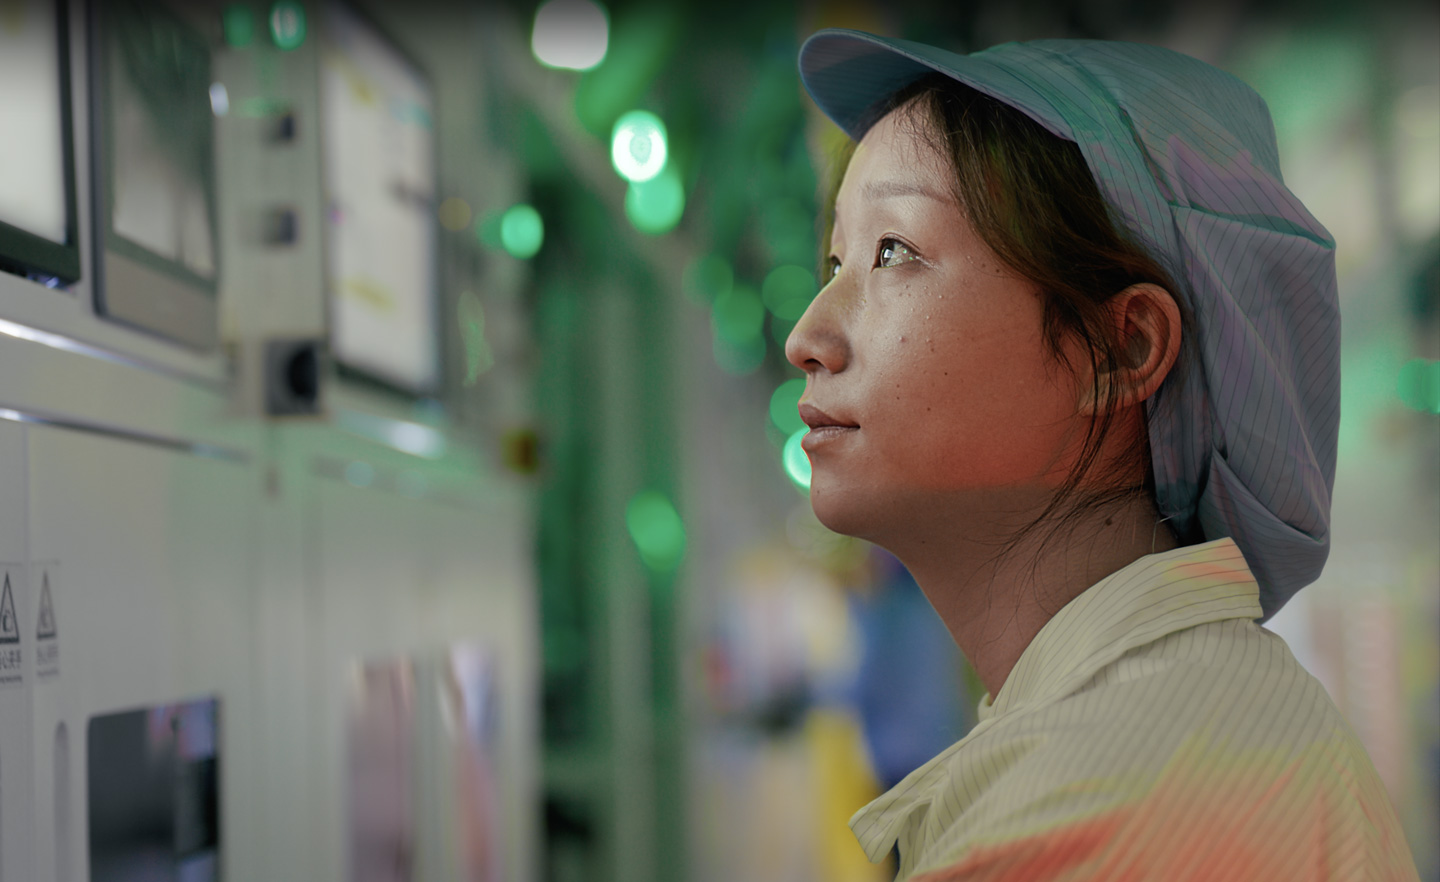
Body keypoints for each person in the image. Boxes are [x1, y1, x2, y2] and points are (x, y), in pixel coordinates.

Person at [786, 29, 1421, 881]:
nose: (806, 337)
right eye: (834, 261)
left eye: (892, 252)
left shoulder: (1085, 813)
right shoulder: (1173, 715)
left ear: (1119, 349)